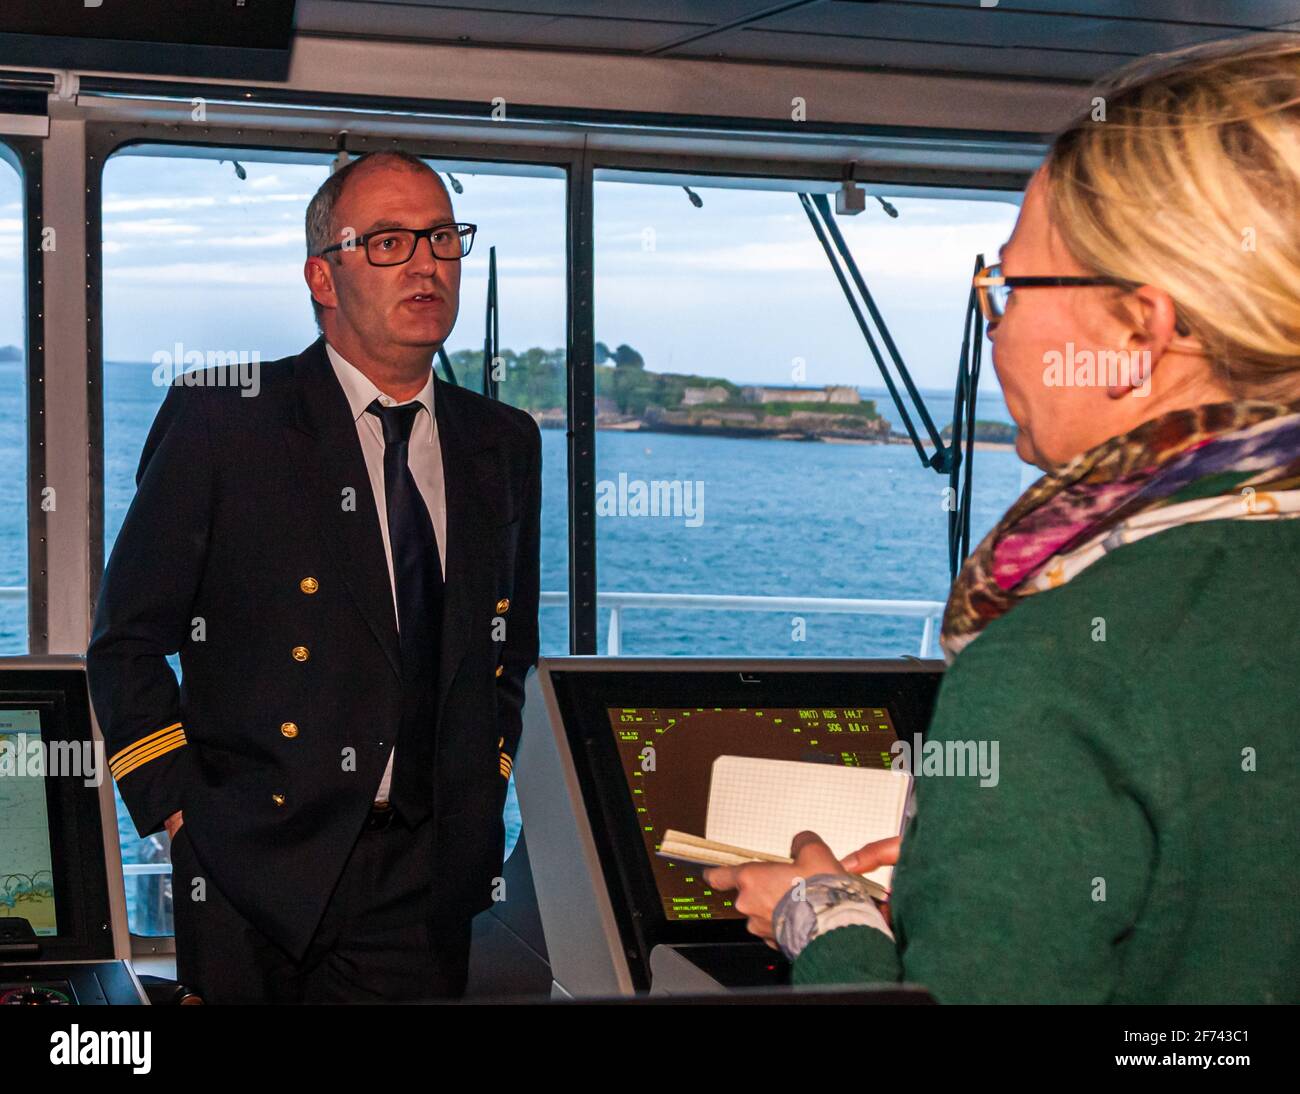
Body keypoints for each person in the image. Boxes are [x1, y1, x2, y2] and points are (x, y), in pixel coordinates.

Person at [706, 34, 1300, 1004]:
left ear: (1136, 334)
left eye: (1011, 285)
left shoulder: (1055, 670)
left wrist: (828, 918)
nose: (996, 321)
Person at [87, 150, 542, 1003]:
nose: (426, 263)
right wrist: (185, 814)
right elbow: (126, 644)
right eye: (388, 242)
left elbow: (506, 652)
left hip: (425, 878)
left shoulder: (504, 442)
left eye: (442, 238)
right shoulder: (227, 420)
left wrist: (483, 779)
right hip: (252, 866)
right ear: (323, 278)